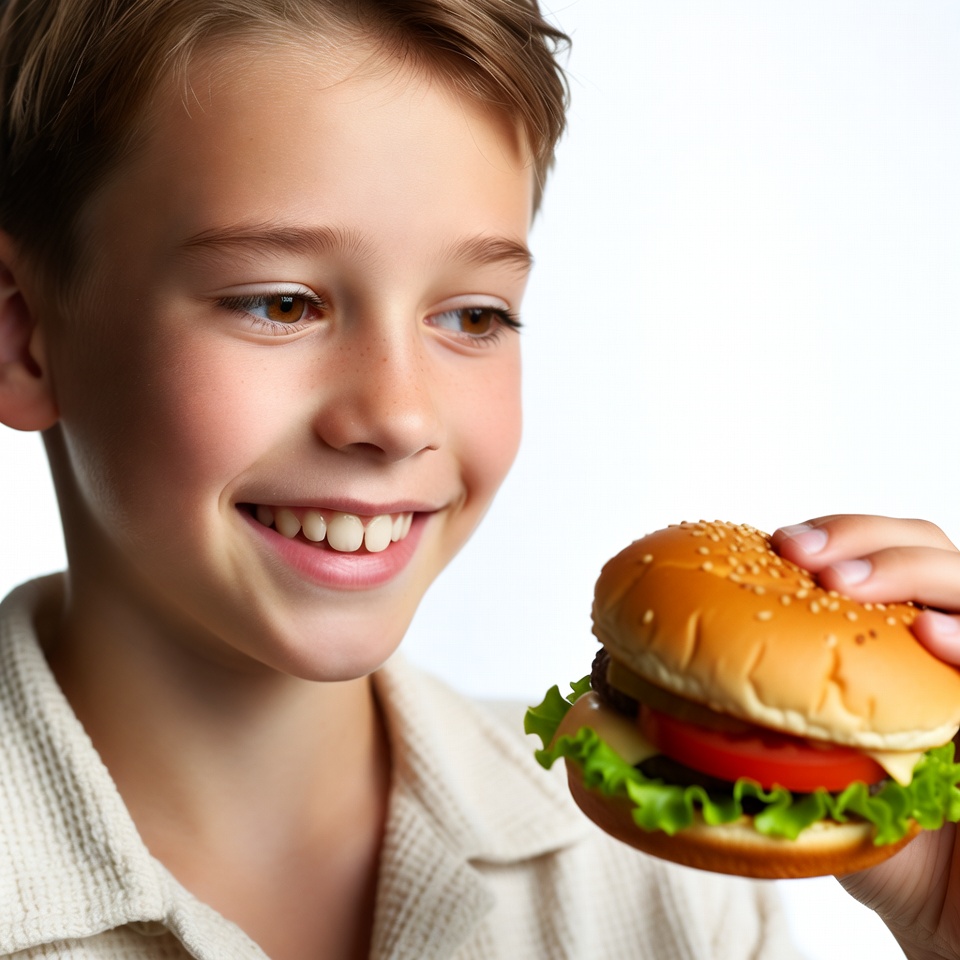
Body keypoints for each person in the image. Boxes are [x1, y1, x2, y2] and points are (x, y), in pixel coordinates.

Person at [0, 1, 957, 957]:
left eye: (473, 317)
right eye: (280, 302)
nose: (399, 416)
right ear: (25, 337)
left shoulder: (666, 879)